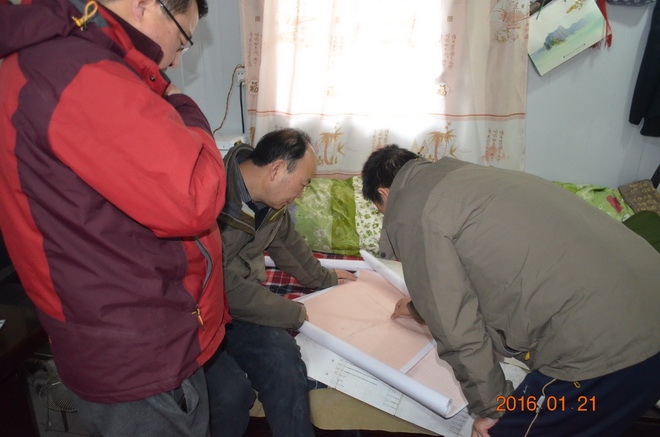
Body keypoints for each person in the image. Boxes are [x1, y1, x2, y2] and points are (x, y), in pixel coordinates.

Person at [0, 0, 255, 436]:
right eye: (183, 38)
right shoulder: (79, 71)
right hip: (137, 347)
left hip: (123, 329)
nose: (177, 57)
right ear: (145, 7)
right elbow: (195, 196)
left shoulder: (61, 61)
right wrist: (185, 109)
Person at [361, 145, 660, 437]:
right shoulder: (475, 176)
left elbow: (457, 329)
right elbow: (489, 266)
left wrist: (493, 407)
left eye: (381, 210)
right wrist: (420, 307)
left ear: (384, 194)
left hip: (599, 350)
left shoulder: (411, 210)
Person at [213, 127, 357, 437]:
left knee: (286, 363)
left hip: (242, 311)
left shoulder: (271, 202)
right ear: (277, 169)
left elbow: (289, 246)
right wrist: (296, 314)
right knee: (231, 395)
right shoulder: (210, 197)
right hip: (203, 315)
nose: (301, 194)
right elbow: (221, 285)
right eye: (303, 184)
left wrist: (326, 279)